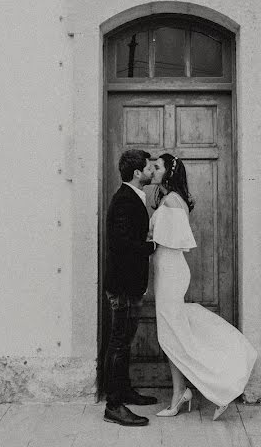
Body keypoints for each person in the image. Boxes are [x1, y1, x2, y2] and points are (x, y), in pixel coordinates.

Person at [149, 153, 257, 420]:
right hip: (167, 269)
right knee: (171, 335)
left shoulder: (172, 201)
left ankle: (215, 387)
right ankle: (181, 392)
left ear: (169, 173)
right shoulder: (169, 199)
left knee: (173, 335)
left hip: (171, 270)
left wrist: (148, 235)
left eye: (158, 167)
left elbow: (174, 240)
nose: (154, 170)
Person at [102, 149, 160, 426]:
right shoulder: (124, 201)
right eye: (149, 168)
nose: (151, 171)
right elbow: (123, 245)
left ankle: (124, 391)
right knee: (119, 343)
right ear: (137, 173)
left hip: (131, 285)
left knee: (124, 343)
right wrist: (153, 245)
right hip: (123, 286)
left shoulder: (134, 197)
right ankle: (113, 406)